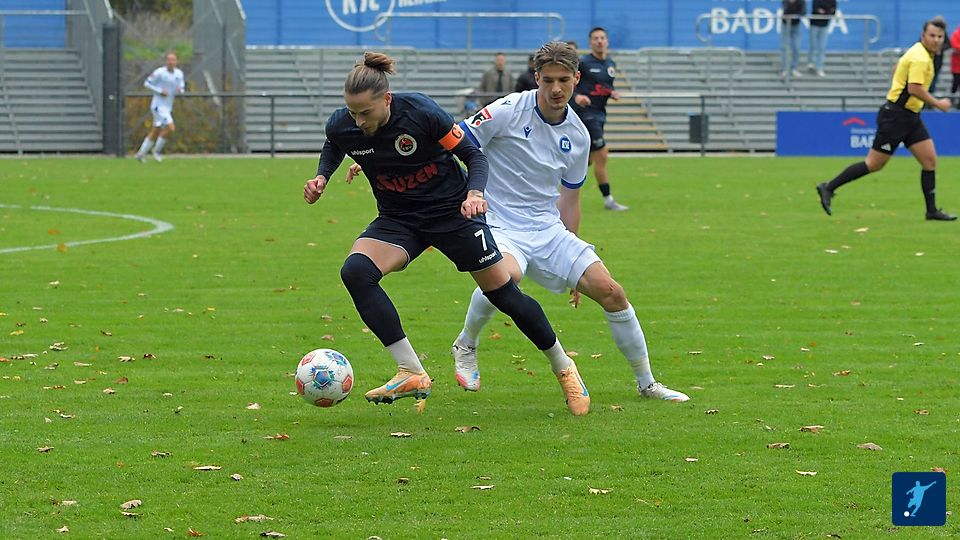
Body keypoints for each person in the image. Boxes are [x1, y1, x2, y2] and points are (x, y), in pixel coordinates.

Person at [304, 52, 590, 415]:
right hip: (399, 218)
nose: (358, 121)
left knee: (503, 293)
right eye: (352, 112)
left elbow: (474, 155)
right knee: (356, 272)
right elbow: (335, 143)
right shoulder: (344, 123)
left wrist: (474, 194)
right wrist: (322, 176)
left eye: (365, 113)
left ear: (387, 99)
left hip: (453, 213)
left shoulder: (421, 112)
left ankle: (564, 368)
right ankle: (411, 371)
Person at [449, 41, 689, 402]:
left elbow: (571, 198)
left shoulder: (578, 135)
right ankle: (466, 344)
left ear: (577, 78)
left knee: (612, 292)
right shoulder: (507, 110)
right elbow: (455, 140)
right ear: (536, 78)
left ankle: (647, 383)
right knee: (505, 276)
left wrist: (572, 262)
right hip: (500, 223)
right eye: (548, 80)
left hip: (548, 229)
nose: (556, 88)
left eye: (563, 80)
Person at [816, 18, 956, 221]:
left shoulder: (920, 52)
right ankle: (828, 187)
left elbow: (898, 67)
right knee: (874, 164)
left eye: (940, 36)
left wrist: (898, 81)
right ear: (923, 36)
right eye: (932, 35)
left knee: (929, 161)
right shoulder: (921, 58)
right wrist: (939, 104)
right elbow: (914, 89)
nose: (936, 40)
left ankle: (931, 211)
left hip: (910, 116)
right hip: (896, 117)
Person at [570, 27, 628, 211]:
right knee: (602, 154)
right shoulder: (584, 63)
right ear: (590, 42)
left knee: (586, 160)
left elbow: (603, 86)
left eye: (602, 38)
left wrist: (612, 93)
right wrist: (576, 97)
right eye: (596, 38)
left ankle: (561, 189)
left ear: (607, 41)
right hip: (586, 114)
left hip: (600, 113)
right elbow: (569, 82)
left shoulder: (610, 64)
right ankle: (608, 200)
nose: (599, 41)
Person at [135, 52, 184, 163]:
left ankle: (140, 154)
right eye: (169, 60)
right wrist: (160, 91)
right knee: (171, 127)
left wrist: (180, 90)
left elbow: (181, 87)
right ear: (166, 61)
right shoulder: (159, 72)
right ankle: (156, 151)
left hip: (168, 106)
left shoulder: (179, 74)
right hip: (158, 106)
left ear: (176, 61)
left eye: (173, 60)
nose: (171, 62)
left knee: (156, 131)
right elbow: (147, 83)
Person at [806, 0, 835, 77]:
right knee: (813, 44)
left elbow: (833, 11)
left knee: (822, 47)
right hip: (814, 24)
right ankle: (810, 62)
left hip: (824, 25)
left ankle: (819, 67)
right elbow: (816, 9)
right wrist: (827, 11)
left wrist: (825, 12)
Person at [781, 0, 806, 78]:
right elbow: (786, 11)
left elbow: (803, 12)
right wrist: (790, 3)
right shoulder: (786, 1)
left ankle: (794, 68)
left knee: (796, 48)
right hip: (786, 24)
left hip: (796, 25)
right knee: (785, 47)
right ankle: (785, 69)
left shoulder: (801, 1)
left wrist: (796, 13)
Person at [951, 23, 960, 105]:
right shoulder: (956, 34)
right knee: (955, 85)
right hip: (957, 66)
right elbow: (954, 45)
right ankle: (952, 102)